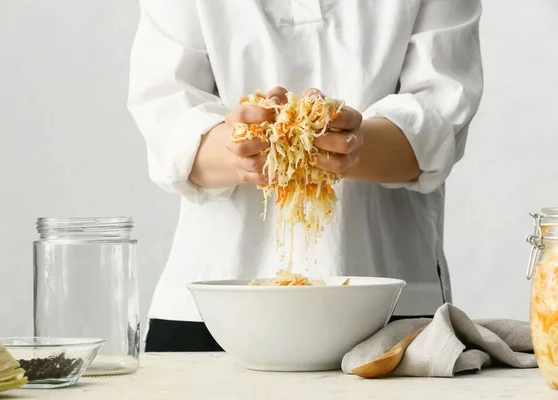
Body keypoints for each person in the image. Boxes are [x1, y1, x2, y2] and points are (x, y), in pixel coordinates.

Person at [127, 0, 483, 352]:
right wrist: (244, 151)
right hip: (215, 304)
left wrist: (347, 144)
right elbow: (167, 118)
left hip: (388, 302)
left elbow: (439, 116)